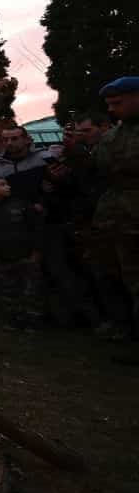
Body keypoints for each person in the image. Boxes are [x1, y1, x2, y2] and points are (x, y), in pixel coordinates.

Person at [88, 77, 139, 340]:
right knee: (122, 278)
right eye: (108, 104)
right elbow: (101, 172)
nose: (111, 109)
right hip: (118, 221)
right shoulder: (112, 136)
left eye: (117, 103)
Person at [0, 176, 44, 330]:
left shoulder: (21, 205)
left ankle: (34, 320)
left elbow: (36, 227)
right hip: (0, 258)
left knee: (31, 290)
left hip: (25, 256)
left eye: (7, 184)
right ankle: (15, 319)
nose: (7, 187)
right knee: (8, 291)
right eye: (2, 185)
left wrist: (36, 250)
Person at [0, 126, 52, 204]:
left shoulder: (44, 156)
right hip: (15, 209)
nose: (9, 143)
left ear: (26, 140)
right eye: (5, 140)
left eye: (14, 139)